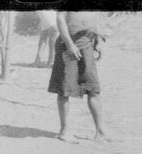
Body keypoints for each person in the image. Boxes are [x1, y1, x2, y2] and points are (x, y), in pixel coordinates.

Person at [48, 11, 111, 143]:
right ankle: (64, 131)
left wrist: (97, 41)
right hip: (67, 44)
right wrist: (70, 44)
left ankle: (100, 131)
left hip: (87, 43)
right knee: (64, 89)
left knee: (93, 89)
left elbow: (95, 18)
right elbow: (60, 18)